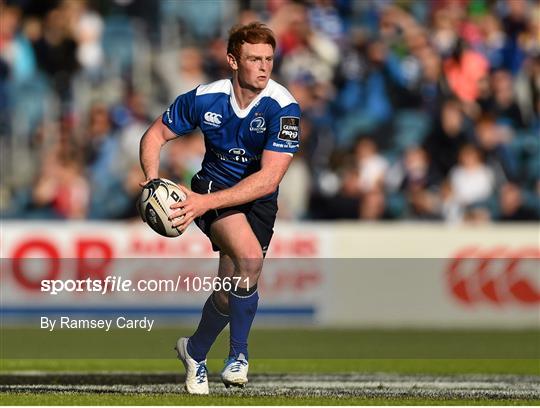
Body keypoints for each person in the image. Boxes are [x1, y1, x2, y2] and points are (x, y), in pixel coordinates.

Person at [138, 22, 300, 394]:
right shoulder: (204, 97)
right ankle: (238, 357)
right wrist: (152, 180)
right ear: (232, 60)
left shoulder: (284, 107)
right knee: (249, 258)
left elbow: (269, 179)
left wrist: (201, 205)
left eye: (269, 59)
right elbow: (154, 135)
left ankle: (194, 351)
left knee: (231, 290)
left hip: (255, 200)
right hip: (211, 187)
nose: (263, 66)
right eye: (254, 58)